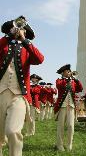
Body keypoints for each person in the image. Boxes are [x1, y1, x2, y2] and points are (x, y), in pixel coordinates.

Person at [0, 16, 44, 156]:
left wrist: (25, 40)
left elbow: (40, 59)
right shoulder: (4, 45)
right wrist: (8, 36)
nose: (19, 30)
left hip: (19, 96)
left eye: (22, 29)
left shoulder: (26, 48)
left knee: (13, 131)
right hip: (1, 93)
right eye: (16, 28)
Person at [54, 64, 83, 151]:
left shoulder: (73, 81)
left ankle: (69, 144)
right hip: (62, 106)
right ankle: (59, 144)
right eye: (68, 71)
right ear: (63, 73)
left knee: (71, 126)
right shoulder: (59, 80)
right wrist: (67, 79)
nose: (70, 73)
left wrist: (75, 79)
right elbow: (60, 86)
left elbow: (80, 88)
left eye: (70, 71)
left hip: (71, 106)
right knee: (61, 126)